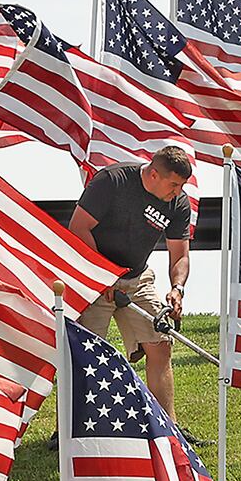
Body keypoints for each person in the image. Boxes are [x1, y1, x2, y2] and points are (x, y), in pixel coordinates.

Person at [69, 146, 193, 426]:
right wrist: (104, 277)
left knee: (161, 346)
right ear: (153, 174)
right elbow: (78, 227)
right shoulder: (111, 181)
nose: (177, 192)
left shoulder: (178, 203)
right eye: (173, 184)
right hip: (93, 276)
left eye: (181, 186)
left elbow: (180, 255)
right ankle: (72, 428)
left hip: (137, 279)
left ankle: (169, 430)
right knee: (85, 351)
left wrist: (177, 288)